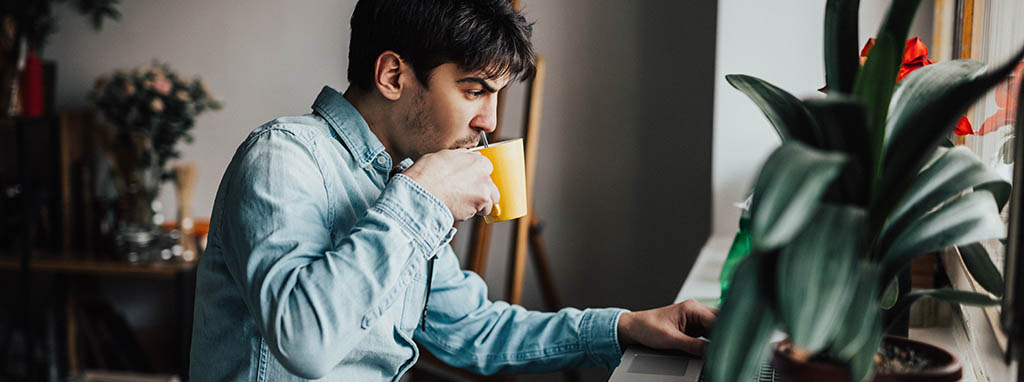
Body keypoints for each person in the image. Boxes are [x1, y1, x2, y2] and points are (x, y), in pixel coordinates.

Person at [188, 0, 717, 380]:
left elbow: (474, 330)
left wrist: (624, 328)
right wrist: (420, 200)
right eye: (474, 90)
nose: (488, 120)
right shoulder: (284, 156)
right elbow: (303, 340)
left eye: (496, 94)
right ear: (393, 74)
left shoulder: (401, 178)